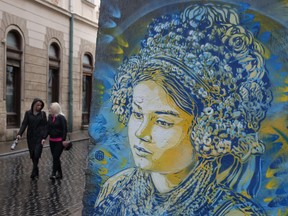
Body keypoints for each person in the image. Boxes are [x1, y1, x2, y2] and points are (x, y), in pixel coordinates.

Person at [93, 3, 273, 216]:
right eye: (137, 113)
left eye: (163, 122)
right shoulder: (114, 188)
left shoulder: (232, 213)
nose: (141, 133)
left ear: (207, 130)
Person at [17, 98, 47, 179]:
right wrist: (20, 134)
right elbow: (24, 124)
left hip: (40, 137)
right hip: (30, 137)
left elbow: (45, 126)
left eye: (40, 105)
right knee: (33, 154)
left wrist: (44, 137)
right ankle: (36, 169)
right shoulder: (28, 113)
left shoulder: (43, 114)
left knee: (37, 153)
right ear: (34, 105)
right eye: (38, 105)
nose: (39, 107)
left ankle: (33, 171)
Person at [43, 102, 68, 180]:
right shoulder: (50, 117)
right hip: (52, 140)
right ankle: (60, 174)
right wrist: (44, 138)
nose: (49, 109)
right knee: (56, 158)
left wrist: (63, 140)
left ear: (55, 109)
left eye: (51, 108)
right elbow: (47, 128)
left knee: (55, 157)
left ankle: (53, 173)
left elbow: (65, 130)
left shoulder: (61, 117)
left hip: (59, 141)